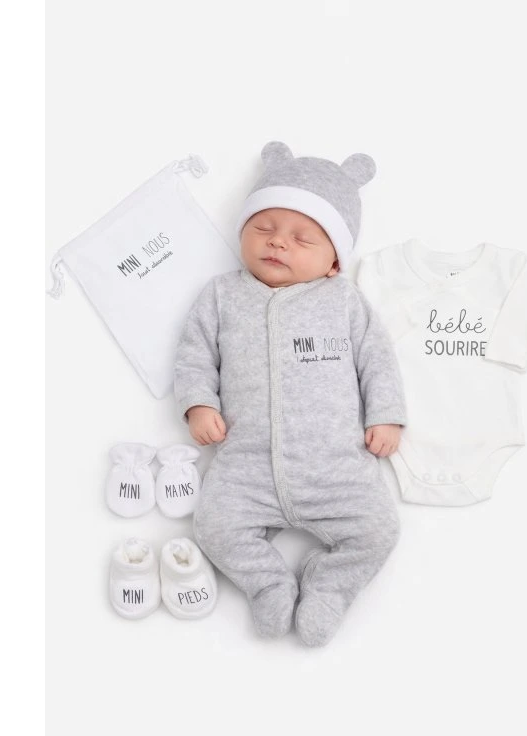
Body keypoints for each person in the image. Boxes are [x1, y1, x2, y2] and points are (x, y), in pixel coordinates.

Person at [173, 140, 406, 646]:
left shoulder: (344, 300)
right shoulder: (222, 295)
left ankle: (329, 588)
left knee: (379, 531)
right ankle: (268, 585)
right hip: (247, 465)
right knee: (213, 527)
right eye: (264, 229)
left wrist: (386, 415)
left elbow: (377, 358)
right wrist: (199, 404)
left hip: (337, 468)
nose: (278, 243)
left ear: (333, 262)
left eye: (302, 238)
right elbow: (194, 354)